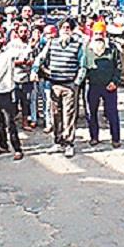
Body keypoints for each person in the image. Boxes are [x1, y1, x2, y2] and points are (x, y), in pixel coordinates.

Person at [40, 18, 87, 158]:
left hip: (70, 85)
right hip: (55, 84)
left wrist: (77, 82)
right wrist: (36, 70)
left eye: (68, 27)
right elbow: (41, 58)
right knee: (55, 115)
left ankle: (69, 144)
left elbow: (82, 65)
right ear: (59, 30)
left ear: (72, 30)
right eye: (63, 27)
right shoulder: (51, 43)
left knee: (69, 116)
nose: (65, 30)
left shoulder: (78, 45)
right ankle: (58, 141)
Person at [0, 29, 23, 161]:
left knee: (10, 122)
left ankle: (17, 149)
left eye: (0, 38)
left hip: (7, 91)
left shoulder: (10, 53)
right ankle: (3, 145)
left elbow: (24, 51)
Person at [84, 21, 122, 148]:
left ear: (105, 33)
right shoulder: (87, 49)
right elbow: (82, 67)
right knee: (91, 113)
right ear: (92, 34)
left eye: (101, 33)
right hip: (93, 85)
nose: (99, 36)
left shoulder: (112, 49)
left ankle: (115, 139)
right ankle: (94, 137)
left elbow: (119, 67)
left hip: (109, 86)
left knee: (112, 113)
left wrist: (114, 82)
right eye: (96, 33)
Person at [9, 23, 35, 131]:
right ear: (17, 32)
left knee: (26, 102)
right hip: (15, 77)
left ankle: (25, 123)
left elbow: (36, 59)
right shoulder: (12, 45)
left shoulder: (32, 44)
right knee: (13, 102)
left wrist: (31, 62)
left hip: (28, 78)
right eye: (21, 31)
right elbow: (9, 61)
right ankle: (12, 123)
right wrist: (22, 62)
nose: (23, 33)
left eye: (25, 31)